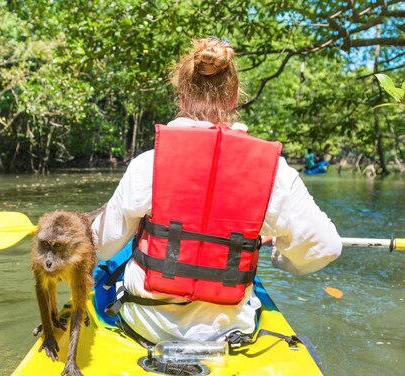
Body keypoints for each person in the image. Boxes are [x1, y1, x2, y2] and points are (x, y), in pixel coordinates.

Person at [91, 37, 341, 345]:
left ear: (181, 97)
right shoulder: (275, 172)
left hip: (147, 326)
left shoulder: (149, 163)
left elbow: (101, 246)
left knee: (111, 266)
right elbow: (325, 247)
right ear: (234, 96)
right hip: (227, 333)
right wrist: (280, 255)